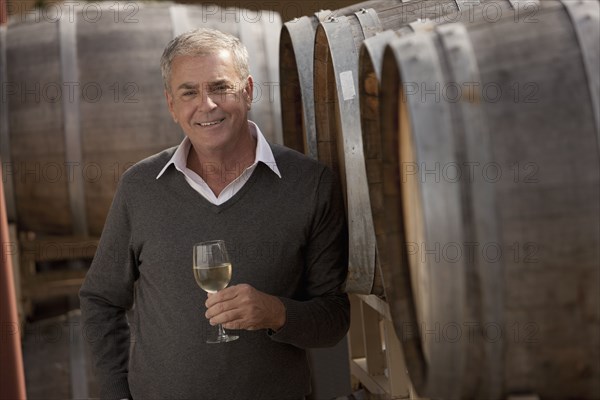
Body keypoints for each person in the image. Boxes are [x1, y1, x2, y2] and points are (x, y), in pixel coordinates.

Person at [79, 28, 350, 400]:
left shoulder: (310, 184)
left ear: (249, 90)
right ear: (171, 105)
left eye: (220, 87)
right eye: (189, 92)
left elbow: (334, 319)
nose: (206, 105)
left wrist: (275, 312)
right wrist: (116, 392)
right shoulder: (139, 187)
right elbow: (101, 299)